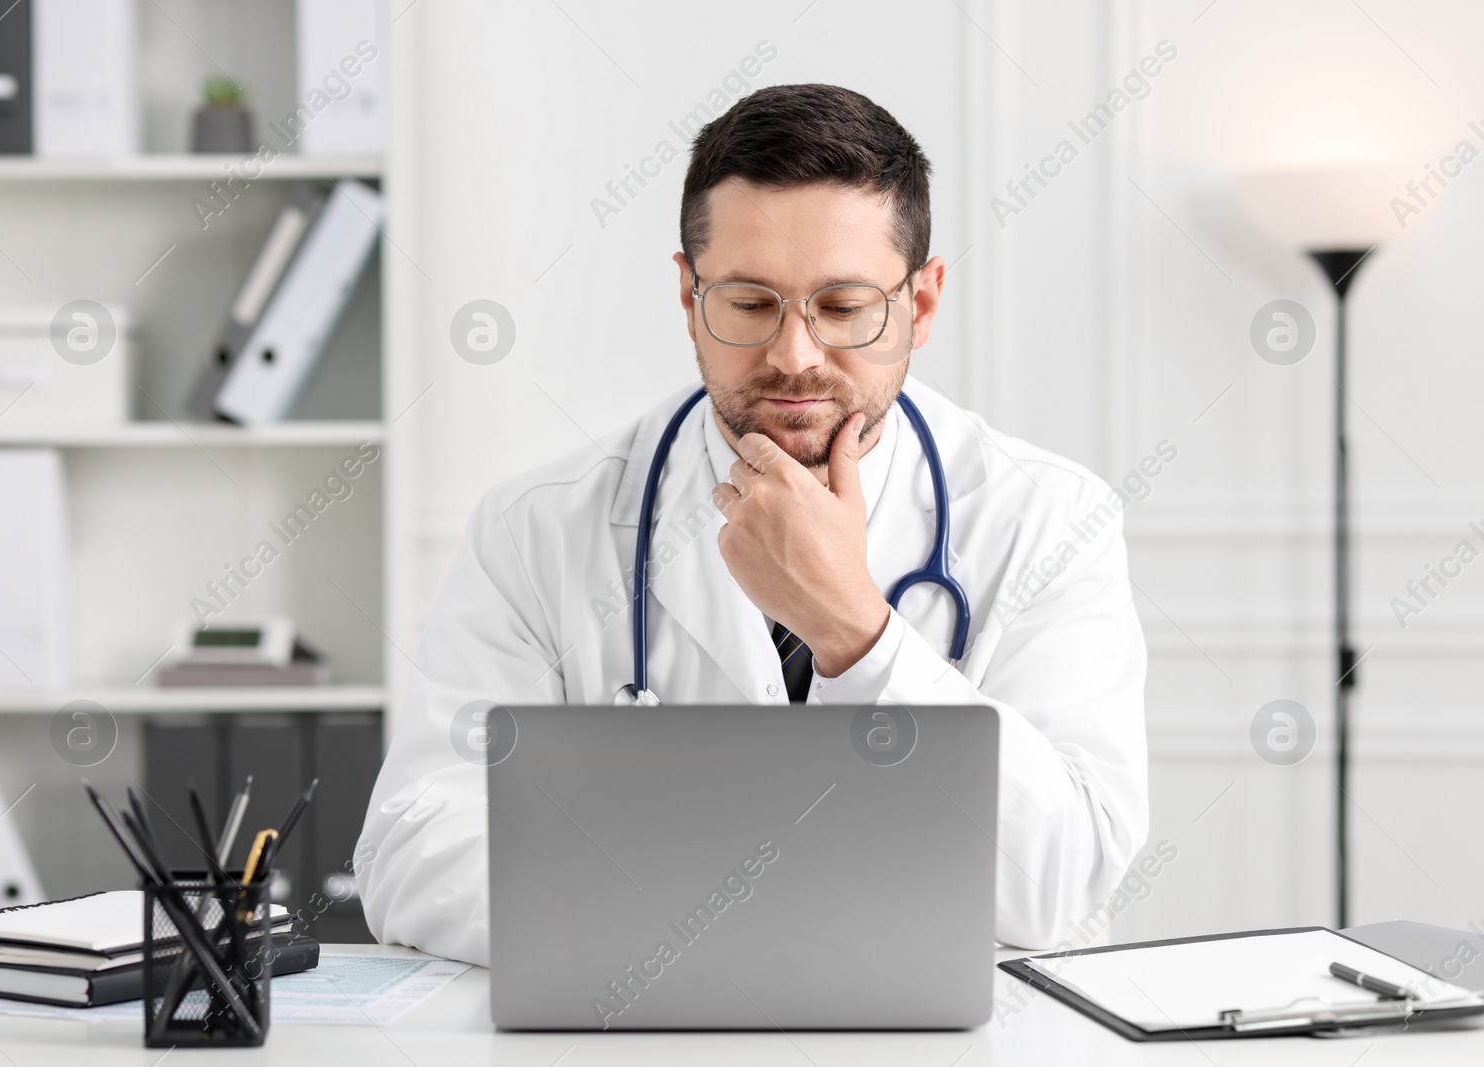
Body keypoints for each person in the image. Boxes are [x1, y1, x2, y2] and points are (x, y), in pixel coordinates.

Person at [356, 83, 1147, 966]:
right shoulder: (536, 531)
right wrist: (717, 920)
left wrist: (856, 630)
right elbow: (412, 848)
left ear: (920, 305)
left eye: (844, 306)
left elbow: (1063, 881)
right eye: (749, 303)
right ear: (689, 295)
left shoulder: (1050, 520)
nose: (794, 355)